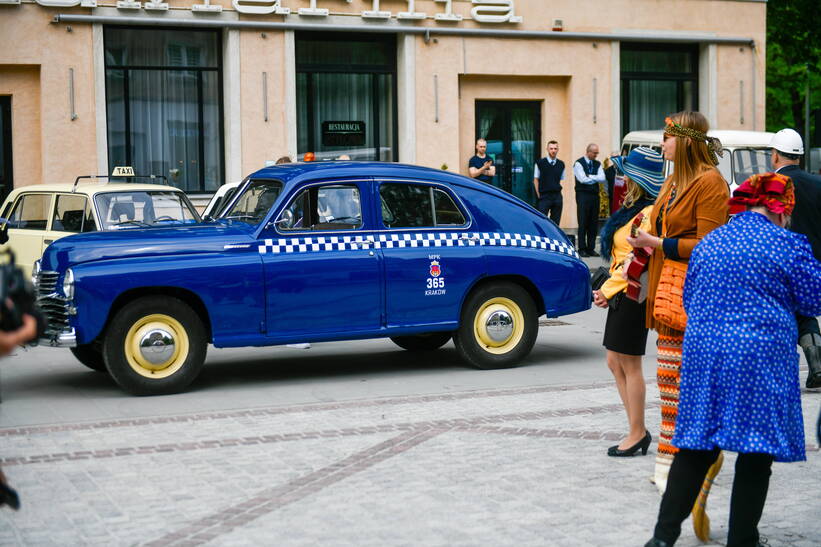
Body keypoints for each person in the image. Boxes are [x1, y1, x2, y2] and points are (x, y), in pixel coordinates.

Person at [644, 172, 821, 547]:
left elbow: (690, 299)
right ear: (779, 210)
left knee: (696, 447)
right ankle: (743, 539)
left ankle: (661, 539)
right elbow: (812, 301)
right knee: (755, 453)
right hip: (759, 358)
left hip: (705, 356)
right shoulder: (787, 243)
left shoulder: (710, 244)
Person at [627, 111, 729, 538]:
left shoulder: (710, 183)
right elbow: (661, 227)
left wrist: (659, 242)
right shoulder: (672, 182)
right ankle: (670, 462)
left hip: (697, 301)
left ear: (685, 142)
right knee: (669, 383)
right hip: (668, 294)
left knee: (688, 389)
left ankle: (692, 460)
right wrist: (641, 233)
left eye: (666, 139)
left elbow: (711, 243)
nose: (662, 146)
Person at [592, 147, 664, 457]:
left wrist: (606, 290)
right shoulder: (634, 209)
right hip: (624, 291)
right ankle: (636, 427)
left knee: (629, 363)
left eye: (625, 173)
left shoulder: (647, 213)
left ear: (638, 179)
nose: (620, 177)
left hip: (634, 293)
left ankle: (637, 432)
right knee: (615, 361)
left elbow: (637, 260)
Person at [769, 128, 821, 388]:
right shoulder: (817, 183)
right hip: (812, 261)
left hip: (778, 260)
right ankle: (817, 366)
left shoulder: (768, 184)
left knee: (779, 313)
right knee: (805, 312)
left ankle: (783, 370)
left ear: (775, 156)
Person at [573, 143, 606, 256]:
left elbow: (602, 178)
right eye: (595, 153)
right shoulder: (578, 163)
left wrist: (590, 176)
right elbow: (582, 179)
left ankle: (591, 248)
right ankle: (582, 248)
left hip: (594, 196)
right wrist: (593, 178)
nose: (596, 155)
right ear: (588, 152)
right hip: (582, 195)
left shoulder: (598, 164)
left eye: (597, 153)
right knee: (582, 221)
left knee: (593, 222)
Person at [533, 140, 565, 225]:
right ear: (547, 149)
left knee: (555, 223)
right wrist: (539, 195)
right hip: (544, 196)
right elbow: (535, 179)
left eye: (555, 148)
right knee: (542, 222)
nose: (553, 150)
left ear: (558, 149)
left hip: (557, 196)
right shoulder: (540, 163)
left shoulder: (561, 164)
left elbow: (560, 179)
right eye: (551, 148)